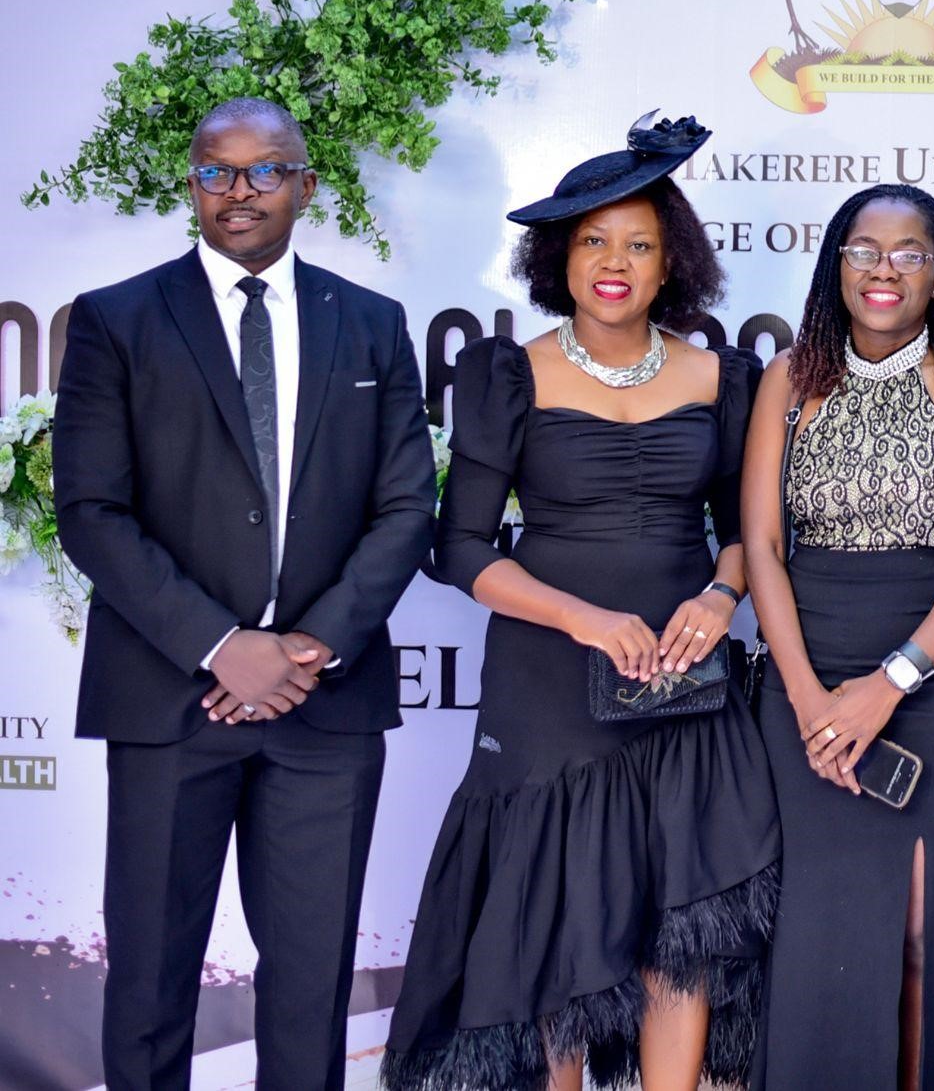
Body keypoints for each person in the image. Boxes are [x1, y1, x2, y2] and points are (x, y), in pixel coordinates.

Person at [381, 114, 779, 1091]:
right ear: (556, 257)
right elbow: (461, 548)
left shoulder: (724, 376)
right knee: (565, 915)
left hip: (683, 684)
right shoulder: (505, 372)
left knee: (679, 921)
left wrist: (720, 597)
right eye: (594, 240)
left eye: (639, 243)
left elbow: (743, 532)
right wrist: (584, 620)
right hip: (551, 684)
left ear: (670, 263)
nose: (615, 261)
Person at [52, 97, 437, 1090]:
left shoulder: (371, 324)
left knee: (311, 987)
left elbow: (405, 508)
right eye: (216, 171)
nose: (239, 191)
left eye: (265, 170)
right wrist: (224, 645)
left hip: (327, 705)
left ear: (306, 186)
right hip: (169, 699)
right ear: (190, 185)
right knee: (149, 974)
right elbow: (92, 510)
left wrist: (306, 646)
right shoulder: (116, 320)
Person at [740, 183, 934, 1089]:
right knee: (822, 921)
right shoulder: (788, 377)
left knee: (923, 923)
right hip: (805, 685)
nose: (884, 269)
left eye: (909, 253)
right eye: (864, 249)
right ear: (836, 263)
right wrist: (809, 698)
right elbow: (762, 546)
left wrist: (888, 682)